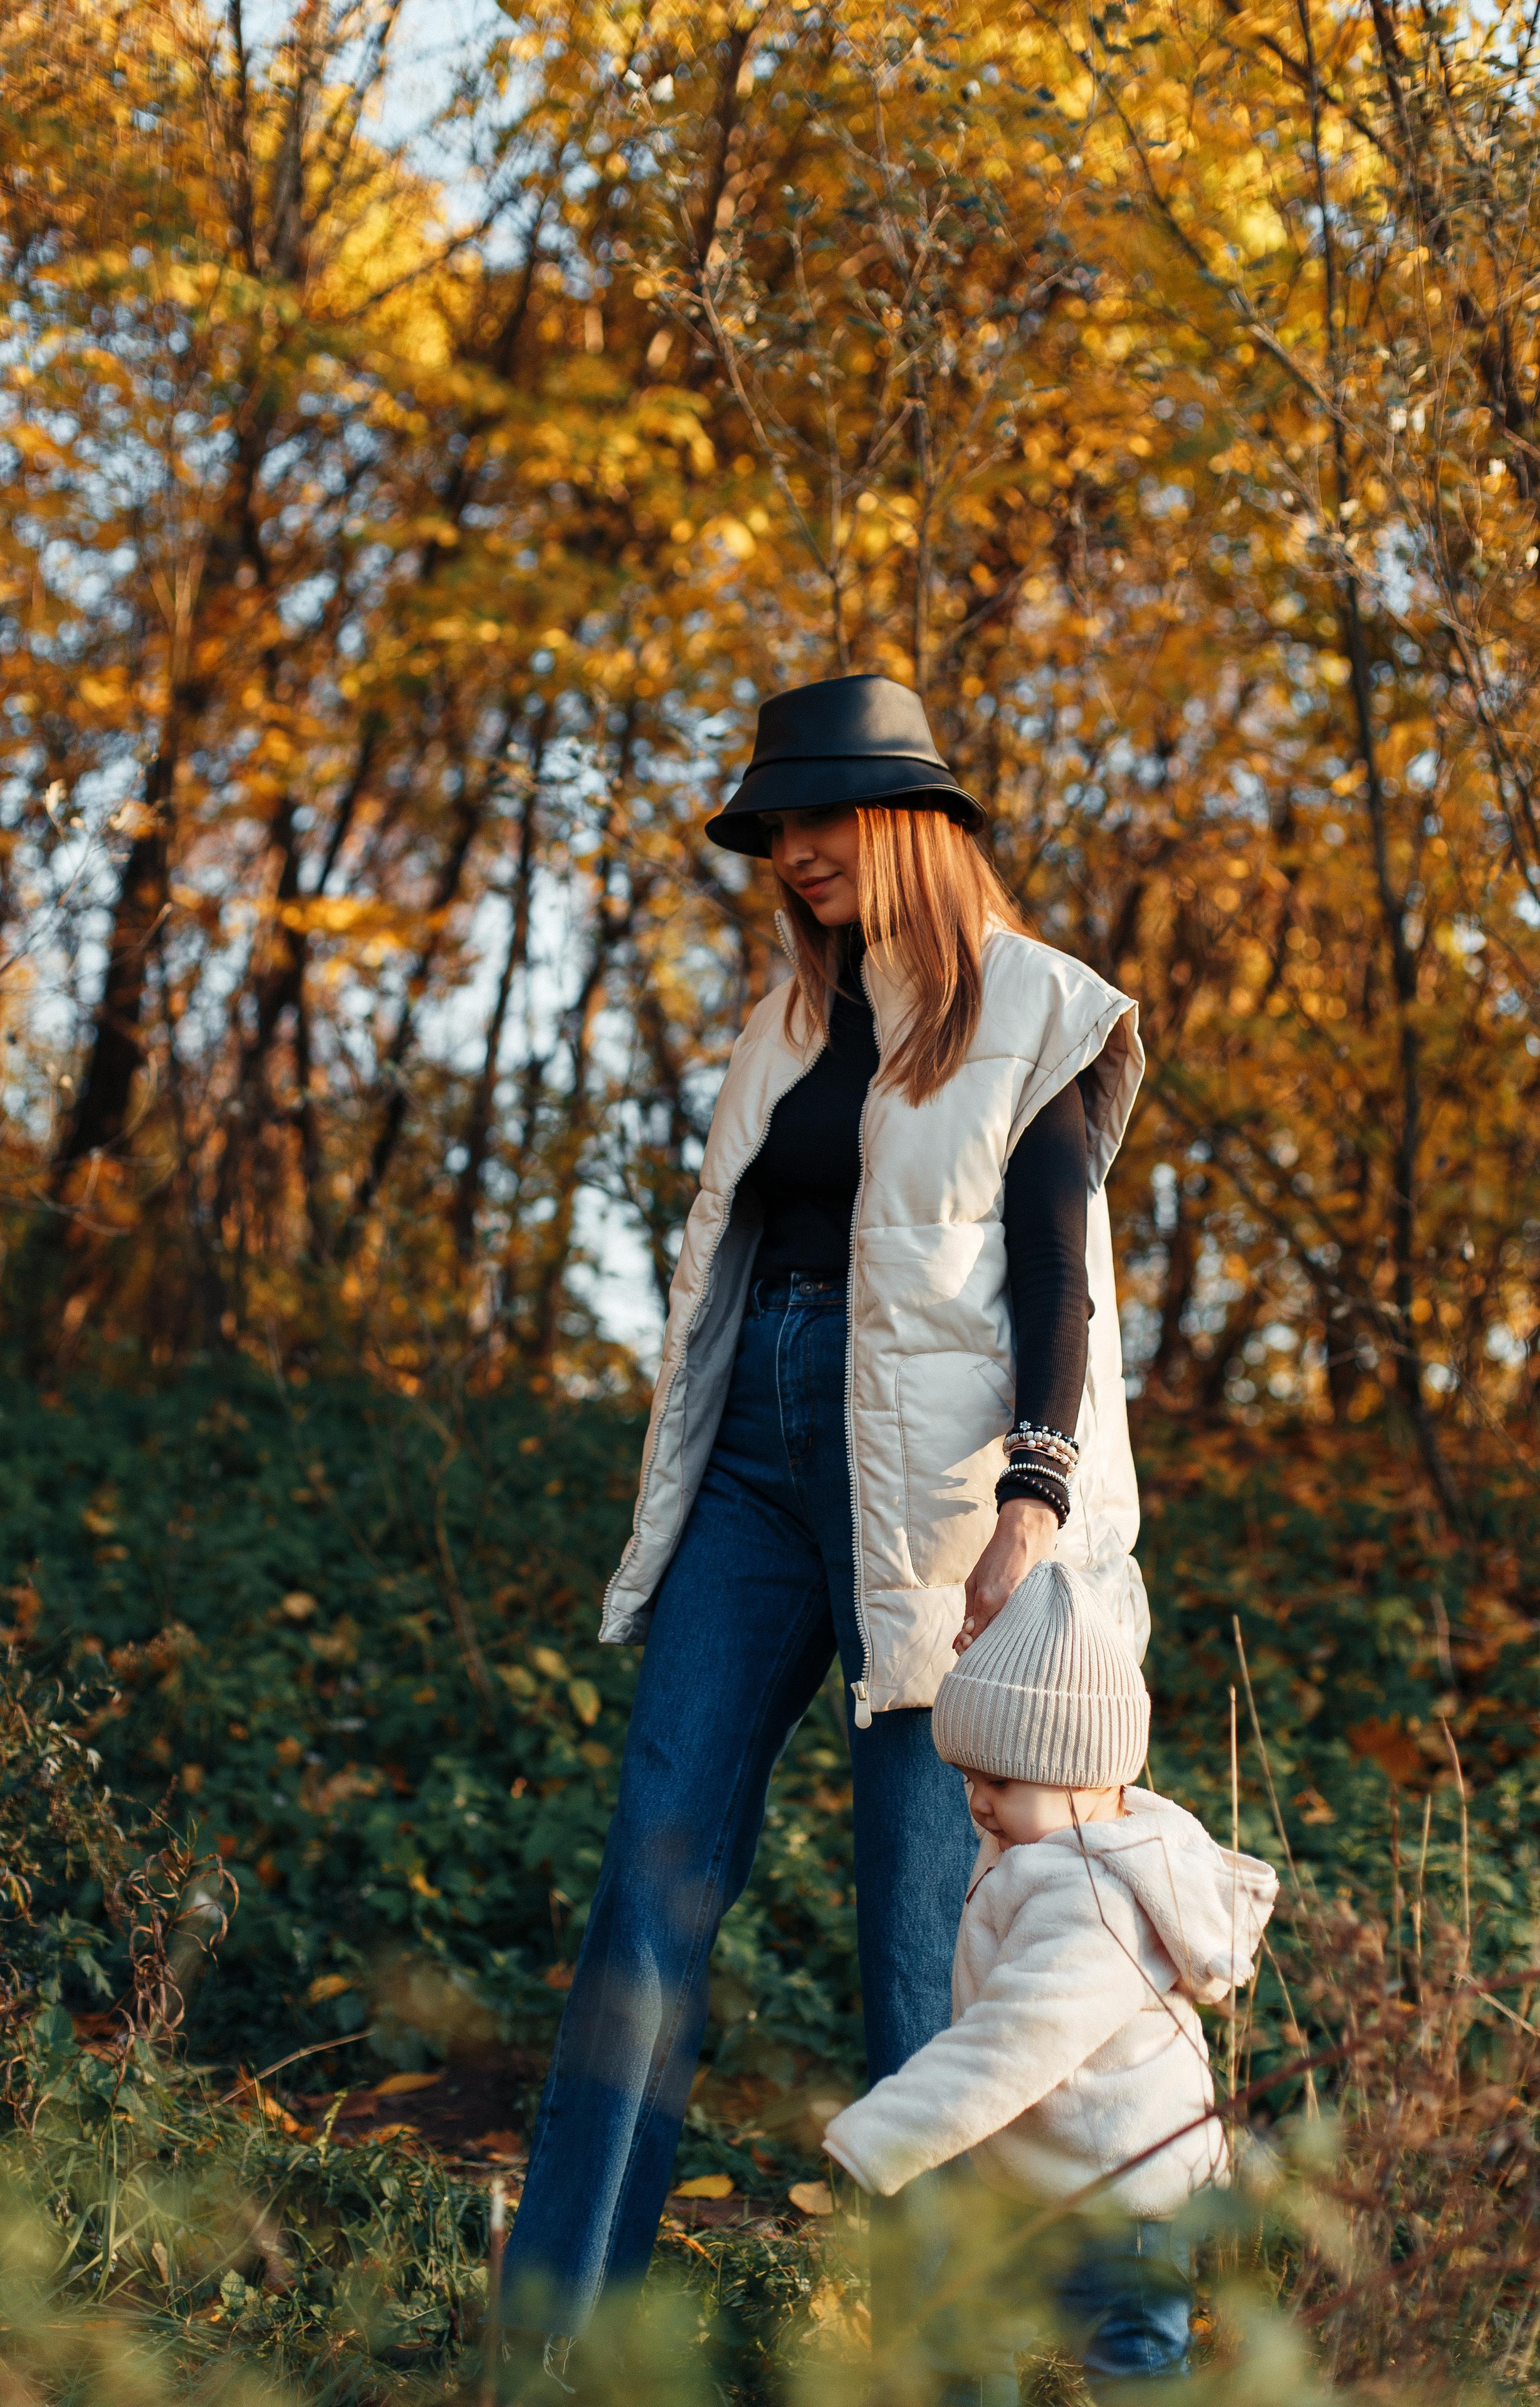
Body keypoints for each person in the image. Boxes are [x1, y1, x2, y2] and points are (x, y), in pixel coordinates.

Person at [501, 673, 1148, 2368]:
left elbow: (1058, 1281)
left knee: (922, 1970)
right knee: (651, 1894)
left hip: (940, 1513)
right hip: (758, 1479)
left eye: (822, 817)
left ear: (914, 821)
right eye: (776, 828)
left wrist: (1033, 1492)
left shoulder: (1042, 1008)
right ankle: (555, 2353)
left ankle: (944, 2374)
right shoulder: (786, 1024)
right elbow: (734, 1277)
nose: (793, 853)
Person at [822, 1560, 1279, 2395]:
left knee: (1134, 2366)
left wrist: (877, 2136)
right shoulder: (1048, 1845)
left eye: (999, 1782)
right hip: (1049, 2181)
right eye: (968, 1780)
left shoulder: (1096, 1900)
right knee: (969, 2333)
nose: (979, 1805)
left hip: (1119, 2206)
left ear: (1088, 1775)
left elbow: (1014, 2042)